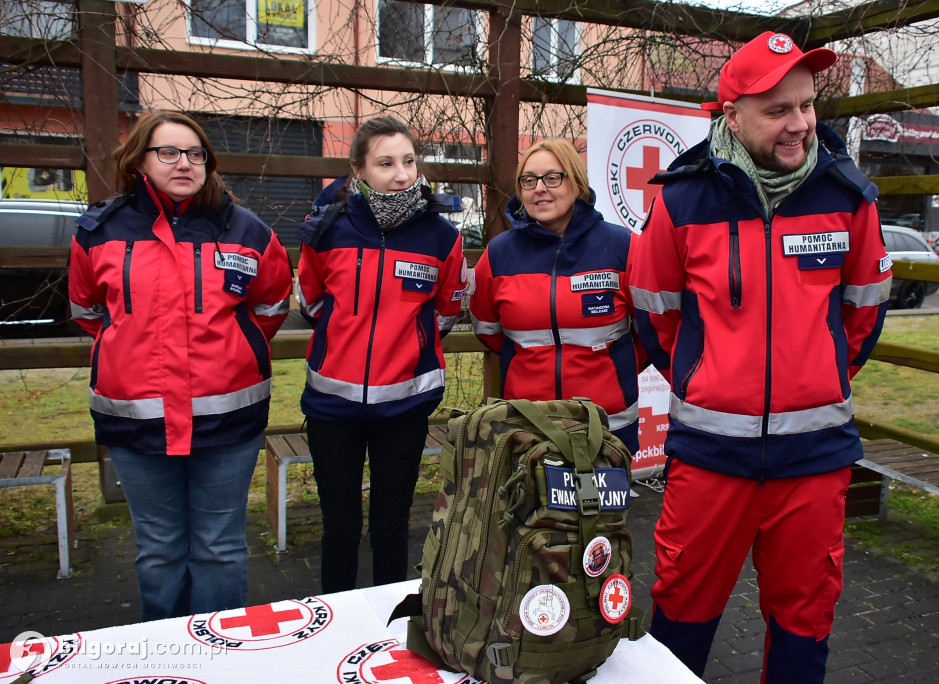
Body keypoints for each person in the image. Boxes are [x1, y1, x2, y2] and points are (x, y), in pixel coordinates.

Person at [630, 32, 892, 681]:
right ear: (732, 114)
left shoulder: (848, 197)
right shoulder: (682, 199)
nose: (800, 123)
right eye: (778, 110)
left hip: (816, 460)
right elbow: (655, 312)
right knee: (682, 616)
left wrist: (817, 377)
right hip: (711, 459)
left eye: (806, 106)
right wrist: (707, 379)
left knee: (804, 624)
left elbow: (864, 312)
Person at [68, 111, 293, 620]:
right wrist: (129, 345)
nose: (184, 163)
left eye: (196, 154)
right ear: (140, 160)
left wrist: (232, 347)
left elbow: (273, 304)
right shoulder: (99, 232)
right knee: (160, 551)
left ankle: (220, 655)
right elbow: (87, 310)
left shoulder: (247, 230)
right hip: (136, 421)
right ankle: (168, 659)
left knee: (219, 547)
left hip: (226, 421)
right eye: (168, 152)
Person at [296, 115, 466, 593]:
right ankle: (333, 628)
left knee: (392, 529)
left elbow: (448, 309)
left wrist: (408, 346)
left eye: (409, 161)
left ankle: (389, 635)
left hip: (405, 407)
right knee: (340, 530)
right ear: (359, 170)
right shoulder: (328, 229)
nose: (402, 174)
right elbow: (310, 302)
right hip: (332, 408)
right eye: (386, 163)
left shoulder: (442, 237)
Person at [470, 139, 643, 452]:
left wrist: (616, 371)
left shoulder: (623, 247)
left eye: (552, 177)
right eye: (529, 180)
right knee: (529, 503)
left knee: (599, 504)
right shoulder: (498, 254)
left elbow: (651, 331)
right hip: (528, 424)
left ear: (576, 183)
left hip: (607, 423)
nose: (539, 188)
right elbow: (488, 331)